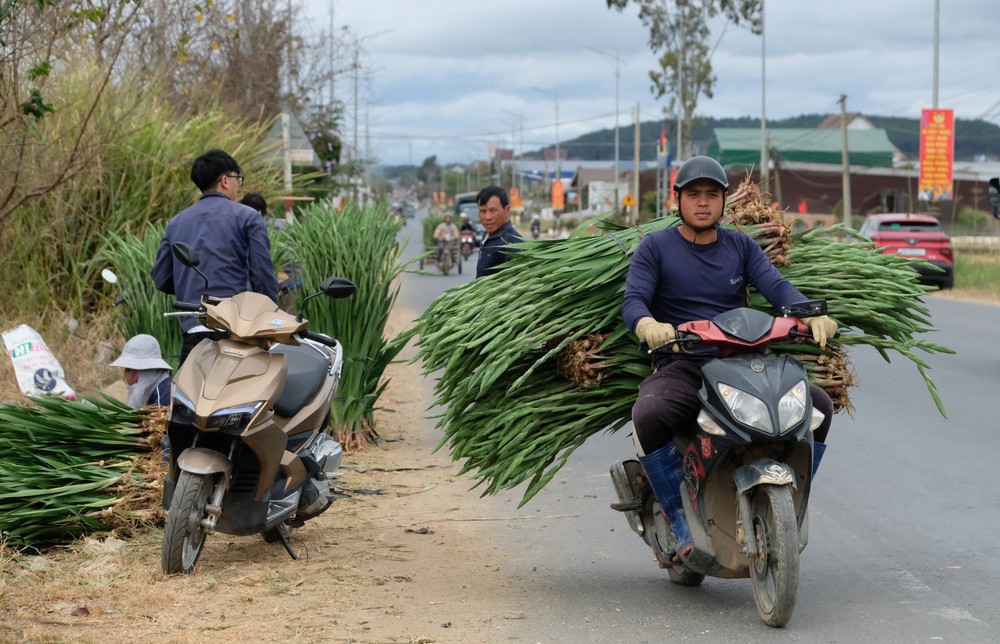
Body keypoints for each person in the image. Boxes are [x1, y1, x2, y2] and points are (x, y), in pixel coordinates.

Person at [619, 155, 838, 564]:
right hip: (685, 362)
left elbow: (777, 287)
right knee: (649, 414)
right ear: (678, 200)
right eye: (694, 194)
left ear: (723, 202)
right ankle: (679, 516)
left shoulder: (740, 246)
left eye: (712, 195)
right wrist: (648, 324)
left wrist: (811, 314)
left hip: (744, 361)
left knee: (820, 408)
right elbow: (633, 299)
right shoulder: (656, 247)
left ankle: (794, 502)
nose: (703, 203)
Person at [151, 149, 279, 364]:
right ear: (225, 180)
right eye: (237, 178)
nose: (238, 185)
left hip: (193, 330)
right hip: (237, 332)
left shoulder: (176, 222)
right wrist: (271, 325)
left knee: (193, 396)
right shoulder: (248, 217)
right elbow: (262, 277)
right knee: (243, 395)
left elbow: (161, 279)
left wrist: (190, 287)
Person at [110, 334, 172, 463]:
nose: (124, 374)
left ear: (136, 371)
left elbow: (161, 437)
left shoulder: (163, 394)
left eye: (127, 369)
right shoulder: (153, 388)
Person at [475, 185, 523, 278]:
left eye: (493, 211)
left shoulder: (512, 242)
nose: (488, 217)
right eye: (483, 211)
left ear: (506, 210)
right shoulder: (486, 236)